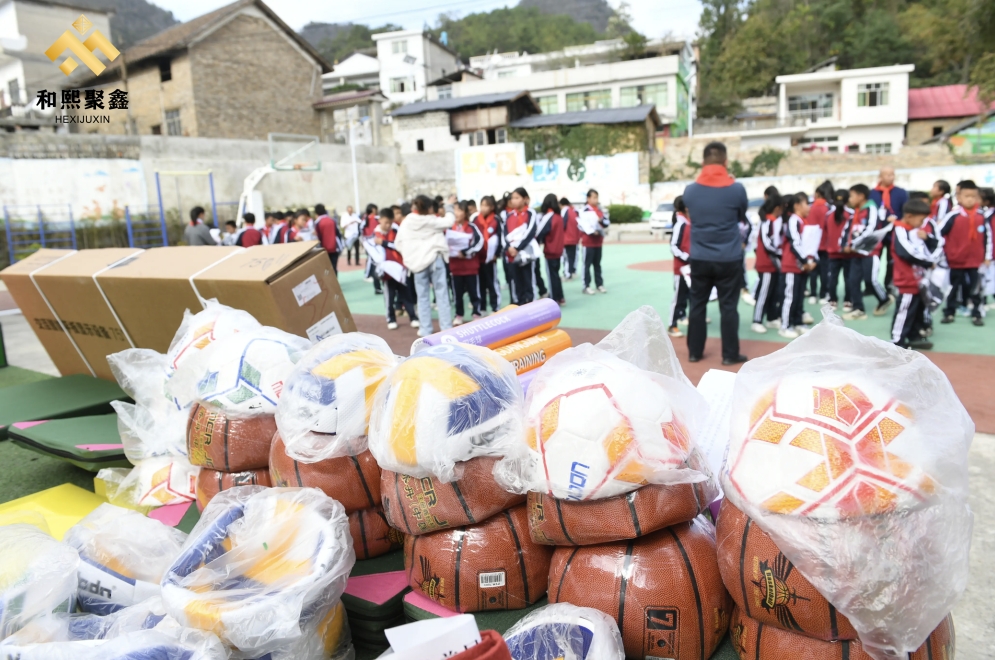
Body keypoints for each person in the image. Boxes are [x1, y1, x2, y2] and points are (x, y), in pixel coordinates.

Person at [681, 142, 749, 365]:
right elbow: (741, 216)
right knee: (729, 307)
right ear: (725, 162)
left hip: (700, 256)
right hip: (729, 257)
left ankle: (694, 352)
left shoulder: (690, 191)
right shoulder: (736, 189)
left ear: (702, 163)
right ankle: (729, 355)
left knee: (697, 305)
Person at [394, 194, 453, 337]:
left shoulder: (407, 221)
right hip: (435, 260)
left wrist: (410, 255)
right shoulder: (431, 220)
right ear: (429, 207)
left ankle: (426, 329)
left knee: (422, 297)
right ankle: (446, 328)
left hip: (417, 264)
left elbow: (398, 243)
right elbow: (450, 221)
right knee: (442, 295)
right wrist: (449, 207)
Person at [891, 199, 943, 349]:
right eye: (920, 220)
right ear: (909, 216)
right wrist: (928, 262)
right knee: (904, 311)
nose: (922, 224)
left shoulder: (914, 231)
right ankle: (897, 341)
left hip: (919, 279)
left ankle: (914, 336)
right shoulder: (900, 230)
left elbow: (927, 247)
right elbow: (907, 252)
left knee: (917, 310)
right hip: (907, 280)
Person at [940, 180, 992, 326]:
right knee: (953, 287)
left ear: (977, 198)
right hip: (956, 260)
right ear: (959, 198)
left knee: (976, 288)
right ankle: (949, 312)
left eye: (973, 196)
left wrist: (987, 257)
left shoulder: (982, 217)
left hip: (976, 261)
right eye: (966, 196)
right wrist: (944, 254)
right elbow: (939, 234)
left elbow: (988, 239)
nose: (970, 199)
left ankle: (977, 313)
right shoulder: (953, 215)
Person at [841, 184, 892, 320]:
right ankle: (858, 308)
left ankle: (884, 299)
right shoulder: (855, 212)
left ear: (861, 196)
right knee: (853, 280)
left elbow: (870, 229)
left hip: (870, 251)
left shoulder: (871, 209)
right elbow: (848, 230)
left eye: (852, 196)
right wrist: (846, 244)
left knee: (871, 280)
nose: (849, 199)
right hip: (856, 252)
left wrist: (853, 244)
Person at [778, 193, 814, 339]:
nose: (809, 207)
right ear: (797, 206)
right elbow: (795, 242)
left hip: (802, 266)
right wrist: (806, 260)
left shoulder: (803, 221)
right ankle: (785, 325)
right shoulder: (794, 220)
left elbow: (809, 243)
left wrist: (812, 259)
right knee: (790, 297)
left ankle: (798, 322)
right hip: (792, 265)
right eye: (806, 203)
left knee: (799, 296)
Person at [376, 208, 418, 330]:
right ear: (380, 220)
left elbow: (399, 245)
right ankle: (391, 318)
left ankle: (413, 317)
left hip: (400, 269)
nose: (387, 225)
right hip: (387, 273)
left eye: (389, 222)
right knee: (389, 296)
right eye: (385, 222)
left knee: (406, 295)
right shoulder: (375, 233)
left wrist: (383, 242)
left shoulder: (397, 230)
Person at [871, 166, 908, 292]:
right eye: (887, 174)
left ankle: (889, 285)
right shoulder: (872, 194)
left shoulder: (901, 193)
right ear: (880, 177)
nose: (890, 177)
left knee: (892, 261)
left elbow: (906, 213)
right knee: (874, 260)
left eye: (892, 174)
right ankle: (872, 285)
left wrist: (897, 221)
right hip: (877, 233)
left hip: (894, 233)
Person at [751, 196, 784, 334]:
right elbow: (767, 243)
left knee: (773, 293)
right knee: (764, 293)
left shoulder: (775, 221)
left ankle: (771, 317)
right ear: (777, 208)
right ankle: (757, 320)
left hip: (774, 264)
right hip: (766, 264)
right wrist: (780, 251)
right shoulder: (767, 222)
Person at [449, 201, 485, 324]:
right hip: (455, 267)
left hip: (470, 267)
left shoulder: (472, 227)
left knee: (474, 292)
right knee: (457, 294)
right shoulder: (449, 228)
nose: (456, 213)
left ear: (465, 213)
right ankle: (459, 315)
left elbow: (479, 242)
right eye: (455, 210)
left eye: (459, 210)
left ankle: (476, 313)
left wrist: (466, 251)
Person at [502, 187, 538, 305]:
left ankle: (531, 305)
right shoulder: (509, 216)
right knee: (515, 281)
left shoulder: (531, 213)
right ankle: (518, 304)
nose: (514, 201)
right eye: (512, 198)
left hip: (525, 253)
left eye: (517, 198)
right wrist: (509, 248)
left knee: (528, 280)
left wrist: (518, 248)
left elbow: (530, 232)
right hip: (511, 254)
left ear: (525, 199)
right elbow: (505, 234)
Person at [668, 195, 691, 337]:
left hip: (689, 267)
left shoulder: (688, 222)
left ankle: (682, 316)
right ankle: (672, 324)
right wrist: (687, 257)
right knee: (678, 296)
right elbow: (674, 246)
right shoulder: (680, 224)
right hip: (681, 267)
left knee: (687, 294)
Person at [826, 188, 853, 310]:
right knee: (848, 277)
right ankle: (848, 300)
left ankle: (833, 300)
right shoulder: (851, 215)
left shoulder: (828, 215)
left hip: (832, 252)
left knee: (833, 278)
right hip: (847, 252)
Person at [580, 189, 610, 295]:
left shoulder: (600, 210)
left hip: (598, 242)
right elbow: (581, 225)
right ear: (588, 198)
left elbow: (606, 222)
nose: (596, 200)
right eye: (594, 197)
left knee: (597, 264)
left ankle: (599, 284)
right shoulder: (584, 211)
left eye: (597, 197)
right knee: (587, 264)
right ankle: (586, 285)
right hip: (588, 242)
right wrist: (592, 232)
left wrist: (600, 220)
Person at [808, 181, 834, 304]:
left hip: (812, 245)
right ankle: (824, 294)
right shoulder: (828, 208)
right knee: (825, 271)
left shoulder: (810, 207)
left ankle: (813, 294)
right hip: (825, 244)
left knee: (813, 271)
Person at [538, 193, 565, 305]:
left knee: (551, 276)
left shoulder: (548, 216)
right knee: (556, 275)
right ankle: (560, 297)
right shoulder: (558, 216)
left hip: (550, 250)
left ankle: (554, 299)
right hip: (558, 250)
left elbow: (539, 232)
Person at [475, 195, 501, 313]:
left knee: (492, 283)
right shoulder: (475, 220)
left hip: (491, 259)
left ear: (492, 207)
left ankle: (495, 307)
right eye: (482, 205)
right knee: (480, 284)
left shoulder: (496, 220)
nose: (483, 208)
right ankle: (482, 307)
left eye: (486, 205)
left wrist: (496, 253)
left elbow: (500, 238)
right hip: (478, 258)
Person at [312, 204, 342, 273]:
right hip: (334, 248)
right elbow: (338, 234)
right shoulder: (332, 220)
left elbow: (318, 237)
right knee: (334, 267)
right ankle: (335, 283)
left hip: (324, 249)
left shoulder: (317, 222)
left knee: (326, 269)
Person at [560, 196, 580, 280]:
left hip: (567, 238)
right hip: (574, 238)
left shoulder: (565, 211)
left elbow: (562, 224)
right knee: (572, 256)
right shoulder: (573, 211)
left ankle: (567, 274)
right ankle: (572, 271)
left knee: (566, 257)